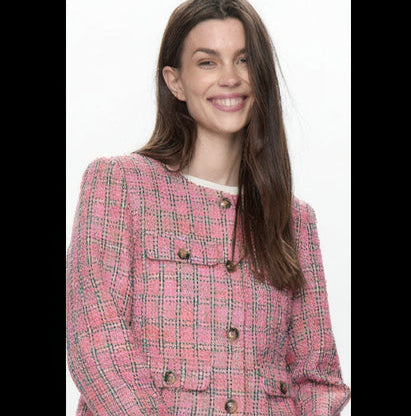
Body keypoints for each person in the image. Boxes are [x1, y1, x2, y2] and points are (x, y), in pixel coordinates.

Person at [66, 0, 351, 415]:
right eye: (207, 62)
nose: (230, 78)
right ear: (175, 82)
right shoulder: (120, 184)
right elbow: (95, 340)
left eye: (244, 60)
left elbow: (317, 378)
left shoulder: (295, 220)